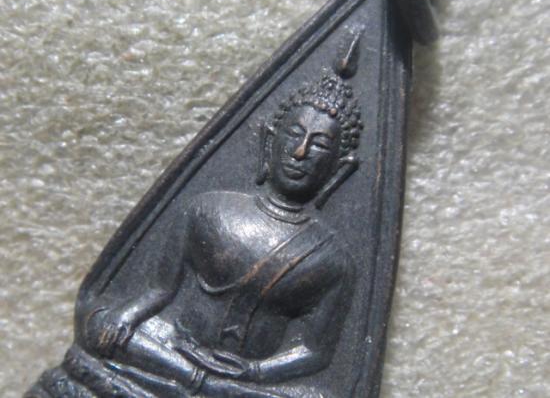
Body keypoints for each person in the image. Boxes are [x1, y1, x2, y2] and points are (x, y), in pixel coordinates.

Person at [32, 74, 363, 398]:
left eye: (319, 145)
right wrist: (127, 316)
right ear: (269, 140)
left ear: (339, 167)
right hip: (172, 350)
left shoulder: (332, 259)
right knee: (99, 321)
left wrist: (254, 371)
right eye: (294, 134)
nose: (300, 152)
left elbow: (314, 351)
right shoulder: (208, 208)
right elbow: (159, 290)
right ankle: (201, 385)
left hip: (241, 380)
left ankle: (204, 386)